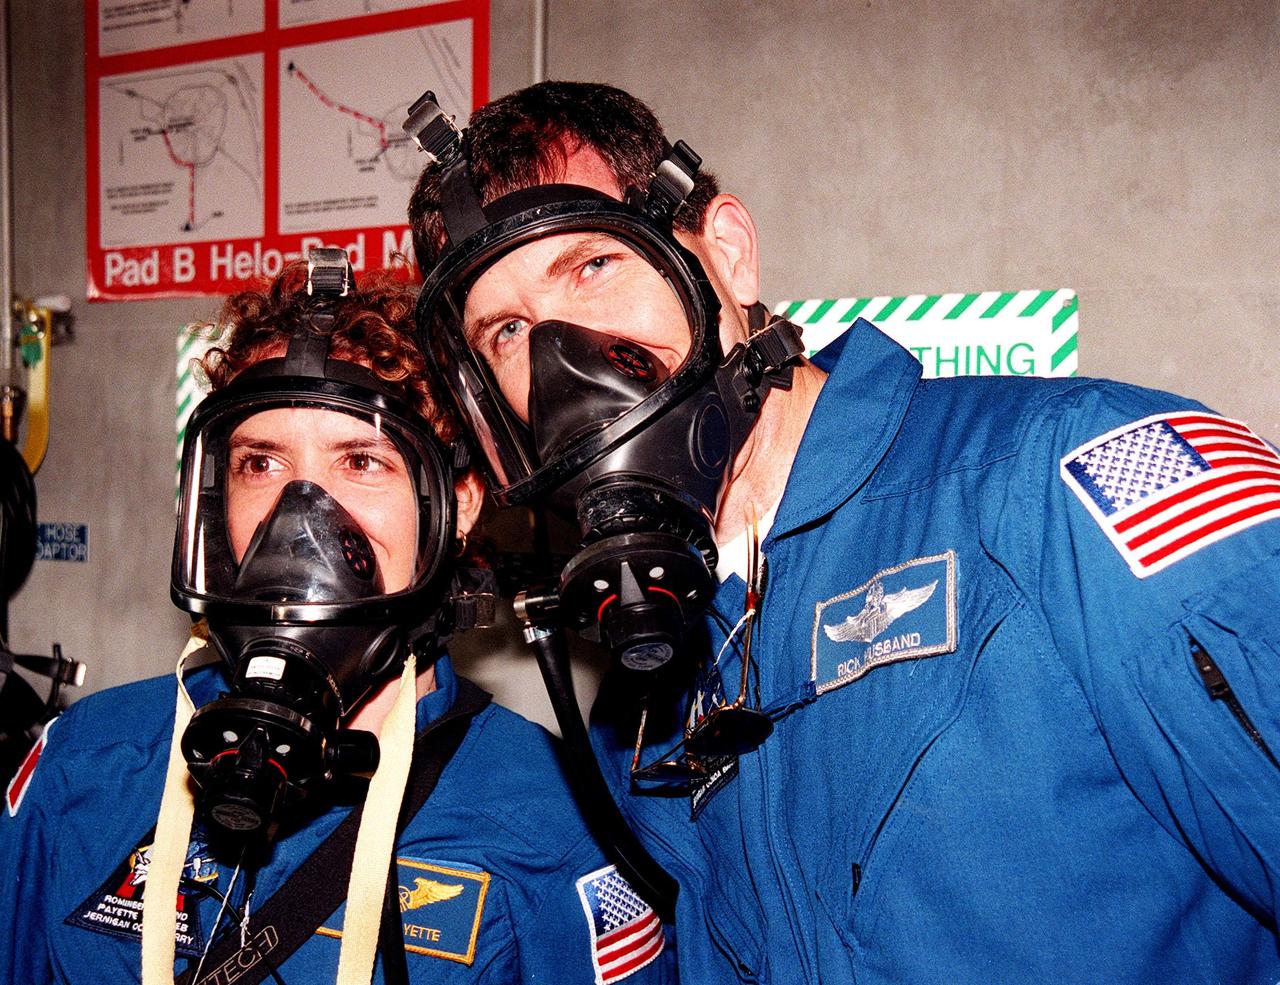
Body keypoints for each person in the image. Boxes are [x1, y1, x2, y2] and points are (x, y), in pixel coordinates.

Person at [405, 81, 1280, 984]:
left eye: (593, 266)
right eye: (507, 329)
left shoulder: (1068, 482)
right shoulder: (646, 650)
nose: (562, 360)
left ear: (728, 255)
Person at [0, 255, 675, 985]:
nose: (301, 517)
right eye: (260, 464)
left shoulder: (554, 824)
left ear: (460, 502)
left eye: (361, 461)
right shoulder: (86, 764)